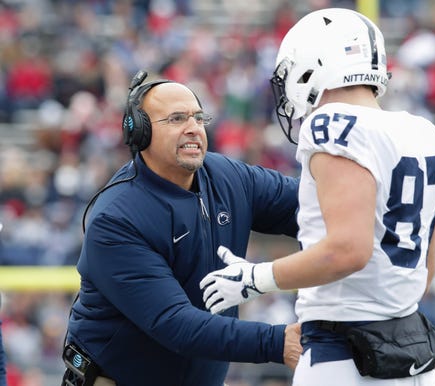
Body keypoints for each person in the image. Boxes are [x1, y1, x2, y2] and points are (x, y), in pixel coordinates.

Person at [200, 8, 435, 386]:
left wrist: (255, 277)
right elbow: (425, 270)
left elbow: (347, 250)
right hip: (413, 359)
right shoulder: (422, 131)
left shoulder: (331, 124)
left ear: (316, 62)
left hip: (344, 358)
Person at [62, 70, 302, 386]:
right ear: (140, 132)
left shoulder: (226, 176)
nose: (193, 129)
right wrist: (277, 341)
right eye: (177, 119)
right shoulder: (117, 218)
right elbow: (174, 323)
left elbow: (306, 204)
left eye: (199, 119)